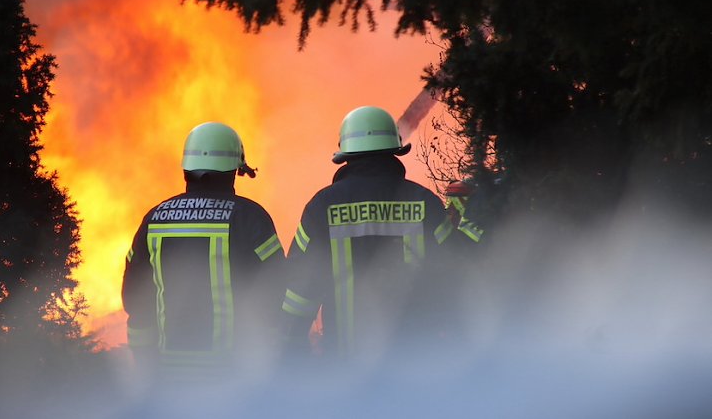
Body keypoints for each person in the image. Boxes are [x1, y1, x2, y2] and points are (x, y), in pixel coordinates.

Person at [280, 106, 447, 359]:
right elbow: (453, 276)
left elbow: (301, 285)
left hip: (346, 360)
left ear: (346, 155)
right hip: (416, 362)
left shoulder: (323, 205)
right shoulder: (426, 202)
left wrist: (290, 345)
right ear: (394, 151)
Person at [122, 122, 285, 381]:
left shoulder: (155, 217)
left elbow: (135, 298)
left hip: (167, 376)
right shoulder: (250, 217)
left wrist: (146, 368)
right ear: (235, 170)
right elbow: (279, 288)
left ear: (187, 169)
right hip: (233, 376)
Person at [434, 179, 484, 245]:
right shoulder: (445, 223)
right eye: (449, 201)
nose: (449, 207)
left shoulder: (474, 226)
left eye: (456, 201)